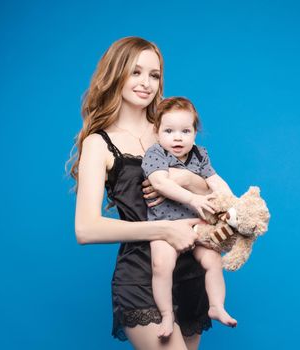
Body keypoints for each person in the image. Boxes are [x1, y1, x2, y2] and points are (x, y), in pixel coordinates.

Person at [68, 37, 212, 350]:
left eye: (154, 75)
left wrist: (185, 179)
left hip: (190, 271)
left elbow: (211, 190)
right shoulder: (99, 143)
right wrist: (164, 229)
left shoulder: (170, 130)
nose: (146, 83)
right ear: (116, 74)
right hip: (141, 276)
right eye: (136, 72)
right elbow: (86, 228)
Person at [142, 97, 237, 338]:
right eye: (169, 131)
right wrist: (194, 198)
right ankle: (166, 315)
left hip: (196, 226)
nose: (177, 137)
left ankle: (216, 306)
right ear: (157, 132)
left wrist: (234, 203)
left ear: (195, 133)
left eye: (185, 131)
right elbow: (160, 182)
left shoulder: (199, 155)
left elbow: (215, 181)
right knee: (161, 265)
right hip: (165, 226)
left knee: (213, 260)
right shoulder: (155, 154)